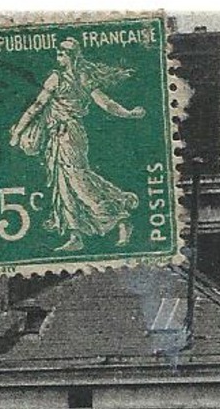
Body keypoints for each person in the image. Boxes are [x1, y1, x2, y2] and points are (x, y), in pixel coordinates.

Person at [8, 37, 146, 252]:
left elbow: (104, 102)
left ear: (71, 56)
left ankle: (119, 216)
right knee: (63, 184)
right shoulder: (69, 77)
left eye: (62, 53)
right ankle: (75, 235)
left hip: (70, 135)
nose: (58, 56)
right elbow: (38, 106)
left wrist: (127, 113)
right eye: (58, 52)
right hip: (57, 137)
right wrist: (18, 130)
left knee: (78, 180)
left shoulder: (66, 78)